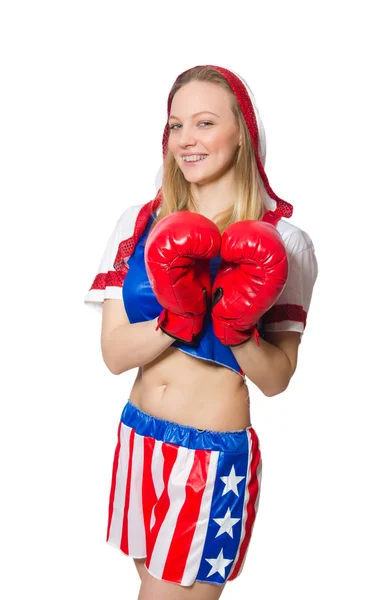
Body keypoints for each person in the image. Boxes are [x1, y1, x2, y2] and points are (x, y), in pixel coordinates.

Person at [84, 64, 318, 600]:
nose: (186, 140)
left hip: (210, 461)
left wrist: (235, 330)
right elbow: (116, 355)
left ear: (243, 133)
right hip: (137, 436)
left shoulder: (285, 240)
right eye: (175, 126)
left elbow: (278, 378)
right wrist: (178, 320)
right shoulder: (141, 222)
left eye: (205, 123)